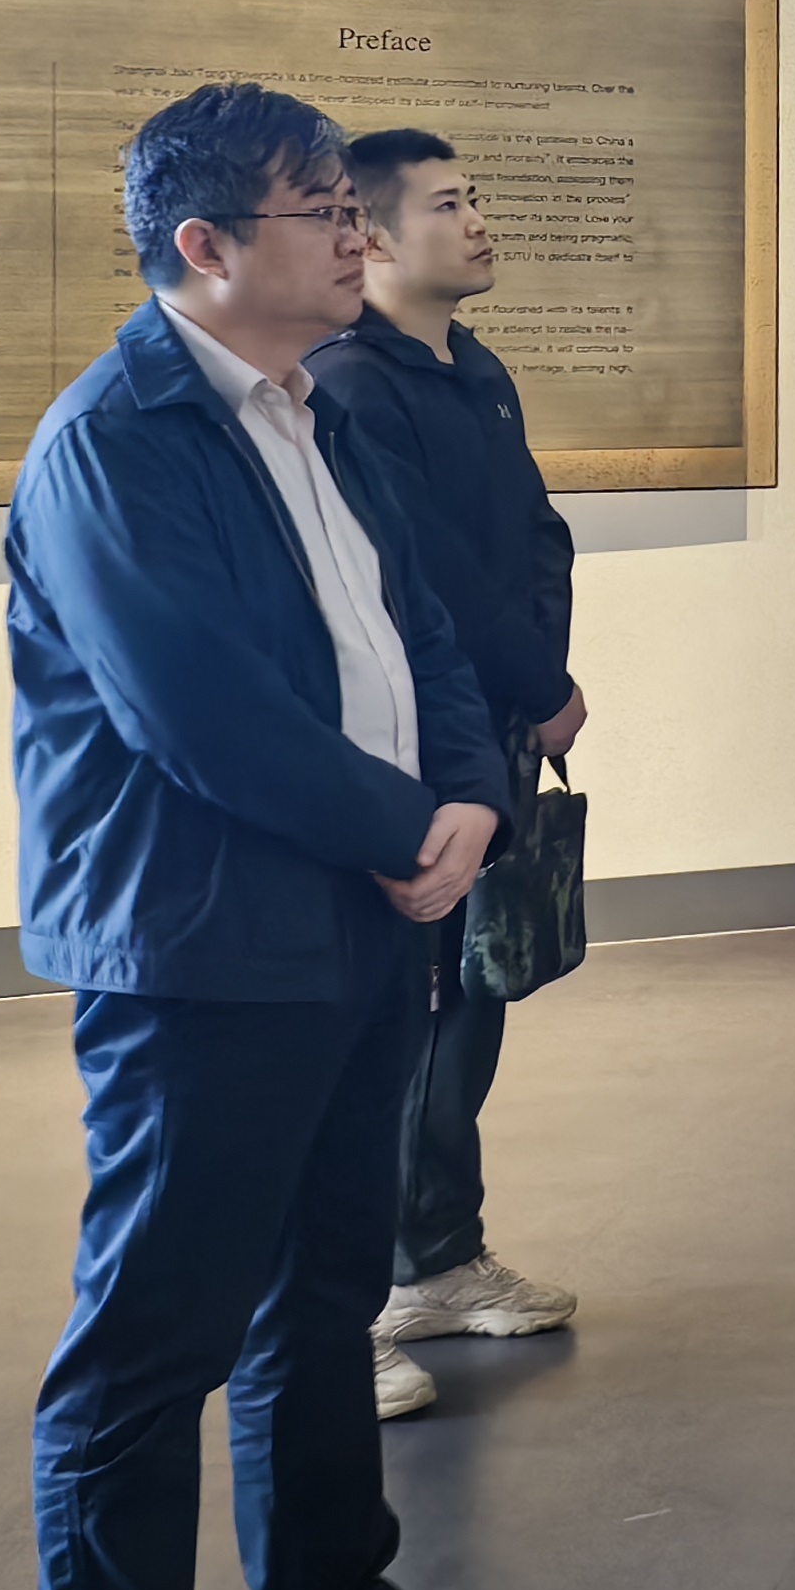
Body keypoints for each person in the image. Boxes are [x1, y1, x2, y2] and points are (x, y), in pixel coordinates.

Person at [6, 84, 526, 1590]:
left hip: (360, 923)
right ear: (205, 246)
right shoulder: (117, 439)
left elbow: (419, 628)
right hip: (202, 949)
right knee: (150, 1344)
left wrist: (466, 799)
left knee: (320, 1294)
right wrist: (402, 827)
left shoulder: (318, 406)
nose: (360, 238)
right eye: (326, 213)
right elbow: (198, 708)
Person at [307, 129, 587, 1421]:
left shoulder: (475, 370)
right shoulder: (349, 386)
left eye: (475, 198)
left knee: (470, 1000)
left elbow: (536, 536)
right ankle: (351, 1300)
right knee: (397, 1019)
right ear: (369, 232)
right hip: (413, 752)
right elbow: (431, 584)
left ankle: (440, 1256)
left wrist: (540, 685)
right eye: (448, 204)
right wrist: (532, 682)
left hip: (496, 733)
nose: (476, 222)